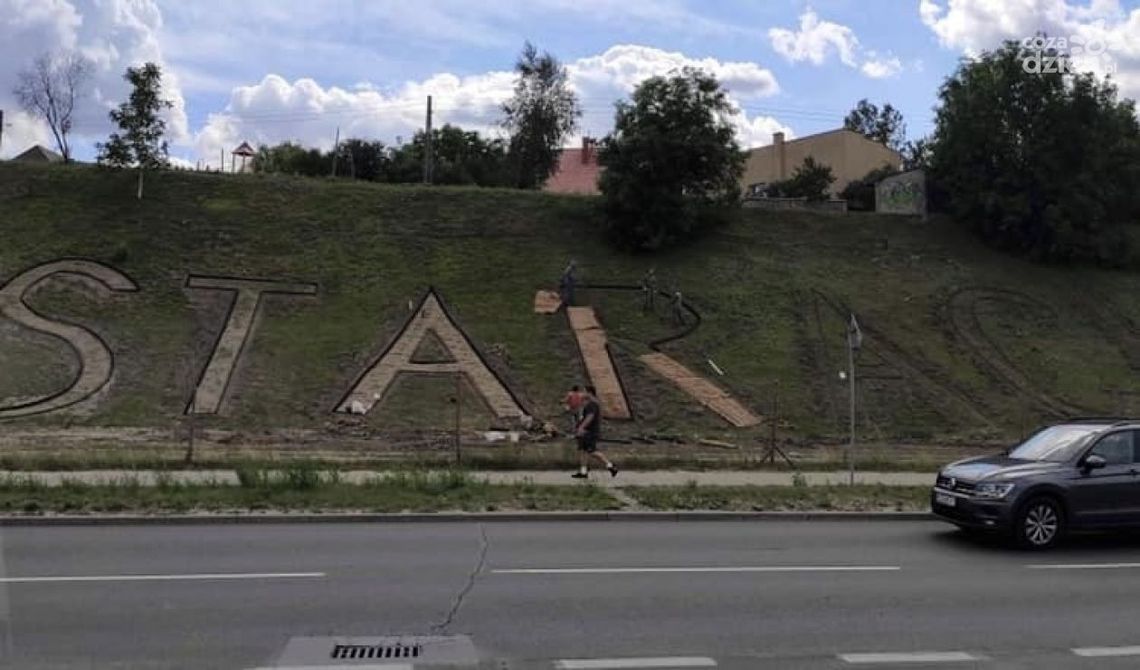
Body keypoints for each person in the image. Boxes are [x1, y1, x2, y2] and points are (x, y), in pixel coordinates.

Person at [572, 385, 618, 479]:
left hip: (590, 431)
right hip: (586, 431)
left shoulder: (593, 404)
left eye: (584, 391)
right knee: (583, 450)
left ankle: (610, 466)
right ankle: (583, 472)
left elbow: (590, 417)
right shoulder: (589, 404)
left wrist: (581, 427)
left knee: (592, 451)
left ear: (589, 393)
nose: (582, 394)